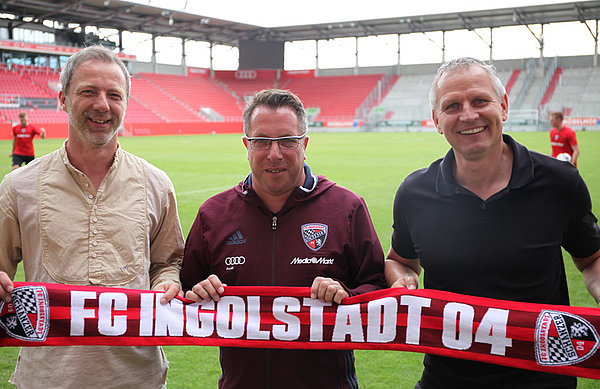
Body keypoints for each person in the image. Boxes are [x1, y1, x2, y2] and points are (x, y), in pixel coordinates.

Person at [385, 57, 600, 389]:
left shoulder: (559, 182)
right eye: (452, 106)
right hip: (447, 379)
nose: (468, 114)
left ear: (503, 106)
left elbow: (592, 259)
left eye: (480, 101)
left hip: (543, 381)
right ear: (437, 121)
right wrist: (403, 281)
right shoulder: (415, 192)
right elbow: (400, 262)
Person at [0, 46, 184, 389]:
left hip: (137, 377)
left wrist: (166, 281)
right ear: (63, 99)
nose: (102, 104)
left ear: (126, 104)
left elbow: (167, 262)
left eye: (114, 95)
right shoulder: (18, 187)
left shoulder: (157, 184)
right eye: (88, 92)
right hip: (48, 379)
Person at [181, 88, 386, 389]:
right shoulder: (214, 214)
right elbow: (184, 292)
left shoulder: (346, 207)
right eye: (261, 141)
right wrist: (199, 290)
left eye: (287, 141)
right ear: (246, 145)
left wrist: (345, 293)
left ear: (304, 144)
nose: (274, 153)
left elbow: (378, 289)